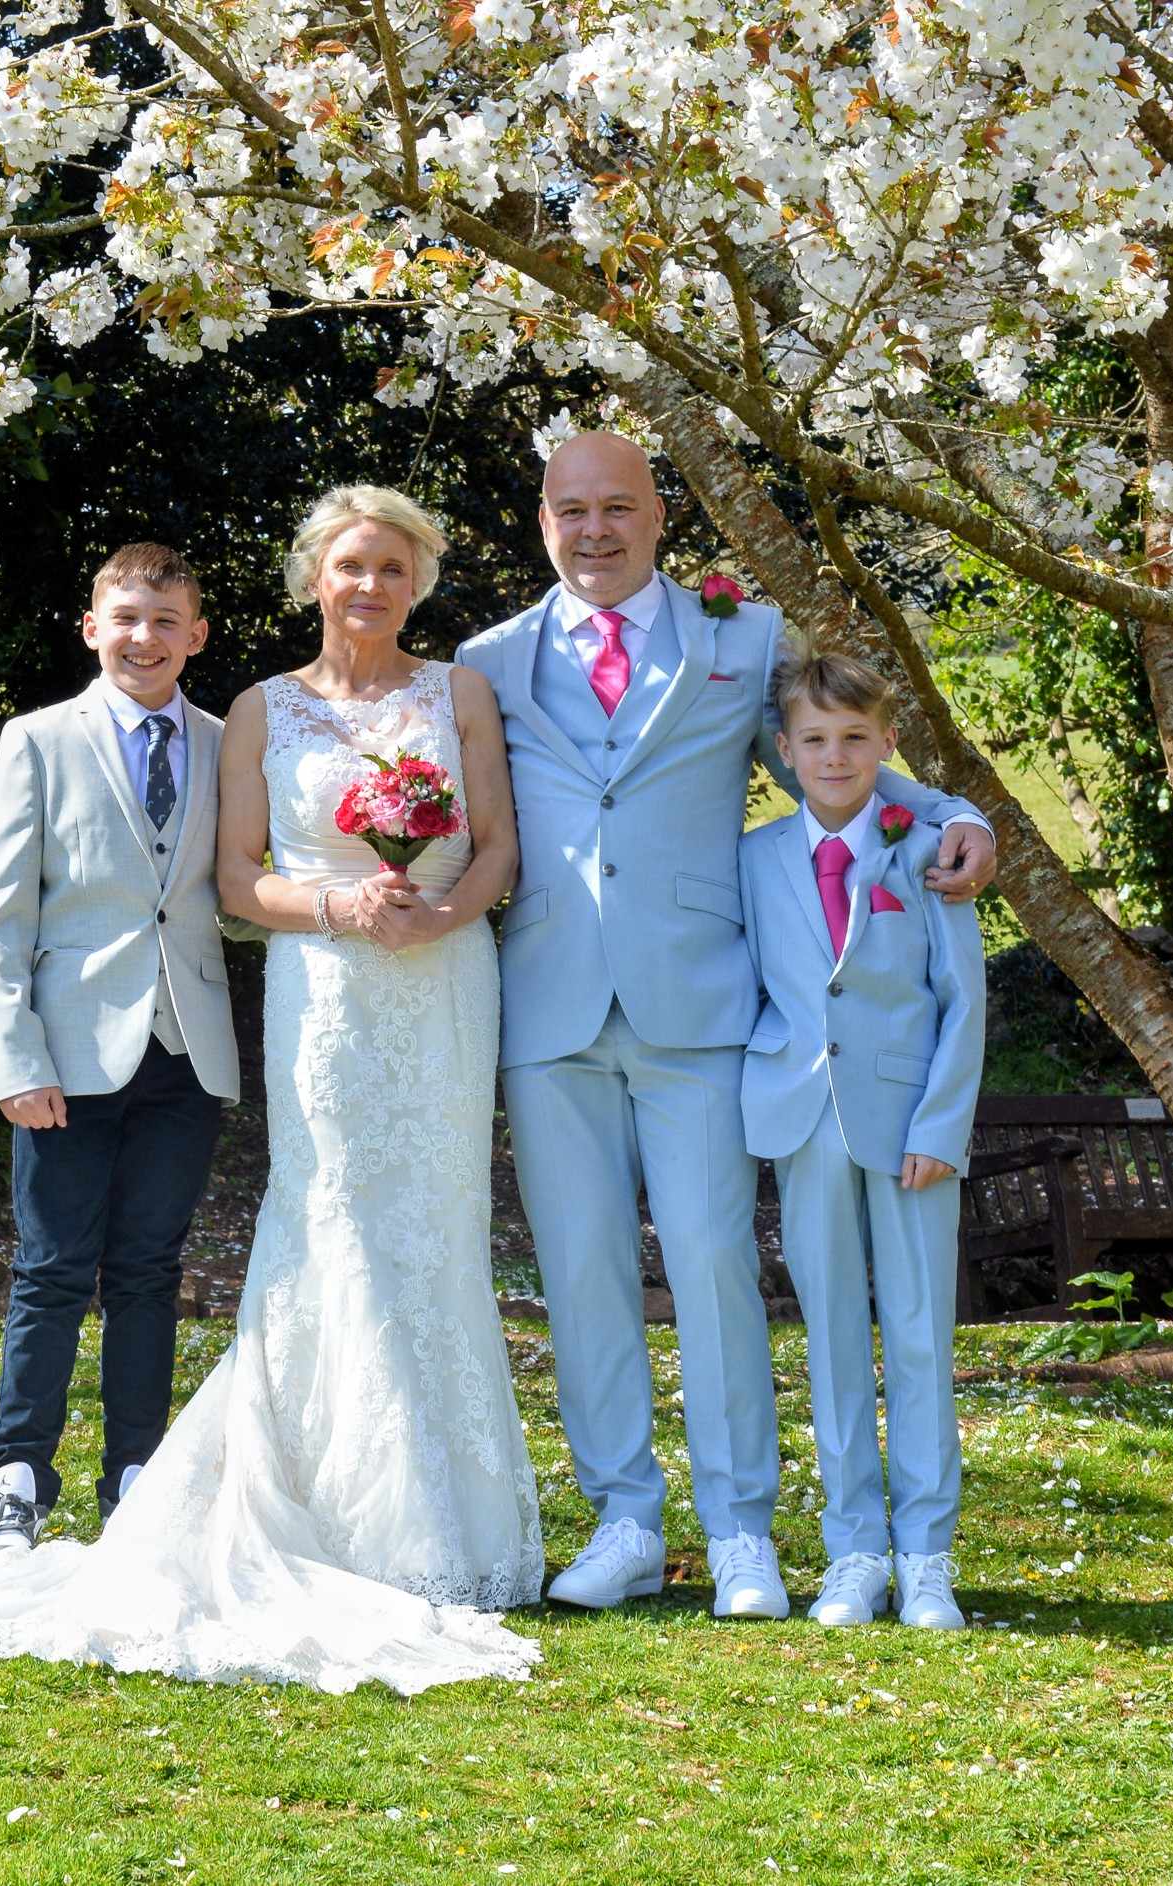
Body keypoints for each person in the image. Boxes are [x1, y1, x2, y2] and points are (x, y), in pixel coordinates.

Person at [0, 490, 542, 1695]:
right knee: (147, 1250)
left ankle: (357, 1499)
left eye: (390, 567)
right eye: (348, 566)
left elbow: (493, 844)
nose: (367, 585)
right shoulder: (229, 720)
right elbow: (203, 882)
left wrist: (439, 910)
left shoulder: (426, 698)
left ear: (416, 581)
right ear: (311, 580)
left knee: (391, 1235)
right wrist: (336, 905)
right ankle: (27, 1475)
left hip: (414, 990)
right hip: (276, 998)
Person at [454, 430, 996, 1618]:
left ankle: (739, 1526)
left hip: (700, 1000)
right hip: (547, 1005)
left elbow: (834, 755)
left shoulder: (740, 640)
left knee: (711, 1262)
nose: (593, 530)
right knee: (583, 1269)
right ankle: (626, 1518)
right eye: (568, 510)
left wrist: (956, 813)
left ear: (659, 515)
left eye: (617, 507)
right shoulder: (486, 661)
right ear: (541, 520)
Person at [0, 542, 238, 1547]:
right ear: (92, 626)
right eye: (126, 617)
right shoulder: (37, 740)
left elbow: (239, 888)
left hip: (187, 1049)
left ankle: (135, 1469)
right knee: (50, 1265)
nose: (145, 637)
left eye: (166, 620)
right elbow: (1, 916)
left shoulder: (226, 742)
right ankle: (16, 1475)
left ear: (196, 635)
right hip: (68, 1053)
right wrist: (18, 1057)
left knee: (148, 1267)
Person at [738, 651, 985, 1628]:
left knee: (920, 1334)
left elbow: (962, 999)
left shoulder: (926, 847)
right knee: (833, 1339)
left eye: (854, 738)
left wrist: (942, 1125)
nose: (833, 755)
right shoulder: (757, 857)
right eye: (814, 740)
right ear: (785, 753)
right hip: (803, 1123)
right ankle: (854, 1551)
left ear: (887, 745)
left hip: (909, 1126)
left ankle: (928, 1553)